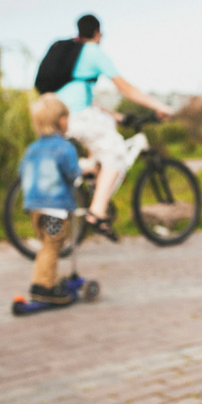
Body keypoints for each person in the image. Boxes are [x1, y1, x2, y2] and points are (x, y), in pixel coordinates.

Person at [54, 13, 173, 241]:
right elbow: (124, 88)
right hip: (78, 116)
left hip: (61, 114)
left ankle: (87, 170)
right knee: (117, 152)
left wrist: (116, 116)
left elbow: (84, 98)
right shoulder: (92, 52)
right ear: (98, 33)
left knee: (105, 135)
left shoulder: (74, 54)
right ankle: (96, 214)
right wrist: (159, 106)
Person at [20, 93, 82, 304]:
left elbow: (22, 174)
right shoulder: (64, 147)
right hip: (54, 210)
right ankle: (44, 287)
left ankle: (43, 282)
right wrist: (86, 168)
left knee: (46, 246)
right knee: (52, 246)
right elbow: (73, 173)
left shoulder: (31, 149)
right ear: (61, 120)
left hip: (34, 208)